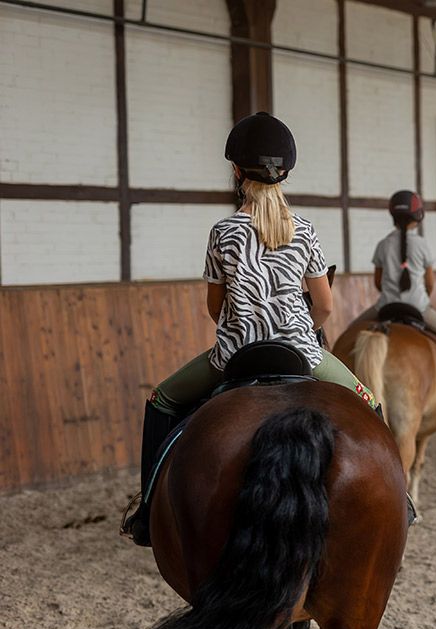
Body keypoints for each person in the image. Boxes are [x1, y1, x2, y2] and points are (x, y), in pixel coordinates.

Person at [122, 112, 377, 546]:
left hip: (236, 354)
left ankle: (147, 510)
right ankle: (398, 498)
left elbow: (214, 307)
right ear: (285, 176)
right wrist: (301, 329)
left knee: (160, 400)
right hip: (302, 352)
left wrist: (246, 324)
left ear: (237, 171)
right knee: (370, 403)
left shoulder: (223, 231)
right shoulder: (306, 231)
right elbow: (325, 305)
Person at [351, 190, 436, 402]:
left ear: (392, 215)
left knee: (351, 331)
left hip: (386, 306)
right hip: (418, 307)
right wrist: (422, 298)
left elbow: (378, 282)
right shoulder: (423, 245)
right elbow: (429, 283)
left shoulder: (383, 245)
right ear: (418, 217)